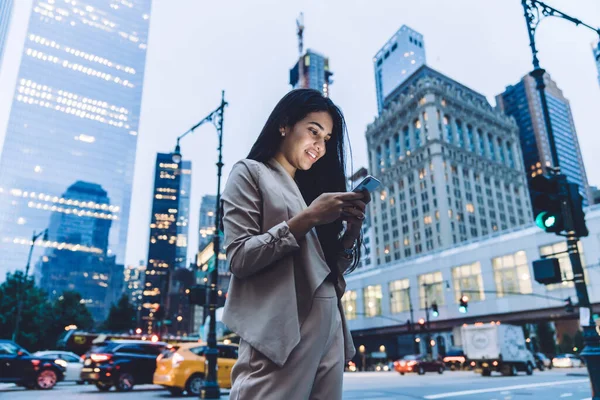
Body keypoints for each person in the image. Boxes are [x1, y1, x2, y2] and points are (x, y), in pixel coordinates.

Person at [221, 89, 370, 400]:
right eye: (313, 131)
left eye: (327, 139)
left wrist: (351, 233)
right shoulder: (250, 172)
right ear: (284, 125)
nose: (319, 145)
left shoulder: (308, 193)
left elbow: (322, 270)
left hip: (329, 333)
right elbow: (240, 258)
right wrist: (310, 217)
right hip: (283, 332)